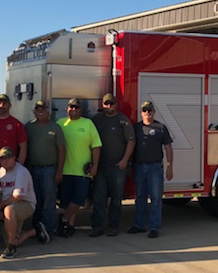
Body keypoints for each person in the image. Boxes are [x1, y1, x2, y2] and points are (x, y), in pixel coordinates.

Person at [90, 93, 135, 237]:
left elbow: (131, 141)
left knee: (116, 198)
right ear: (102, 105)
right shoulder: (96, 120)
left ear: (116, 104)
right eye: (106, 104)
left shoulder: (123, 120)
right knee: (99, 198)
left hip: (118, 167)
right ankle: (97, 227)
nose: (109, 106)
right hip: (101, 166)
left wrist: (124, 160)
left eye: (112, 104)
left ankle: (113, 227)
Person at [128, 101, 174, 239]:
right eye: (145, 111)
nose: (147, 113)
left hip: (155, 167)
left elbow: (168, 148)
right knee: (140, 197)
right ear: (141, 113)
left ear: (154, 112)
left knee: (155, 198)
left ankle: (154, 227)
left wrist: (169, 167)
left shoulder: (160, 128)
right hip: (139, 166)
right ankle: (139, 225)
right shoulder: (136, 128)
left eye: (150, 111)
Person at [56, 98, 102, 237]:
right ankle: (70, 225)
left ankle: (63, 219)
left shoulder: (88, 124)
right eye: (71, 107)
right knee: (66, 201)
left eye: (76, 107)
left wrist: (95, 165)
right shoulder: (60, 124)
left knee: (78, 200)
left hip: (82, 171)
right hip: (64, 170)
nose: (73, 109)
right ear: (67, 109)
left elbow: (96, 146)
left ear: (81, 109)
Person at [0, 93, 27, 236]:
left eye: (5, 103)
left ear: (10, 105)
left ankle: (11, 228)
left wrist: (19, 165)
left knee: (12, 200)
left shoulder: (16, 124)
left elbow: (23, 146)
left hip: (11, 169)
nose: (2, 106)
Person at [24, 100, 63, 244]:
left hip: (49, 170)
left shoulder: (56, 127)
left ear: (48, 111)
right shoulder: (29, 126)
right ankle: (37, 229)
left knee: (49, 201)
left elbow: (62, 150)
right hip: (33, 169)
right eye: (38, 108)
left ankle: (49, 230)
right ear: (34, 111)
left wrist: (59, 171)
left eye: (43, 109)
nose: (40, 111)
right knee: (36, 201)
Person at [0, 147, 37, 259]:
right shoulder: (0, 173)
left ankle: (11, 247)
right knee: (10, 238)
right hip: (9, 206)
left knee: (9, 210)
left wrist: (1, 206)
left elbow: (17, 197)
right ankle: (32, 232)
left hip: (26, 204)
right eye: (2, 159)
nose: (4, 161)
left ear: (14, 158)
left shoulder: (21, 171)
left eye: (7, 158)